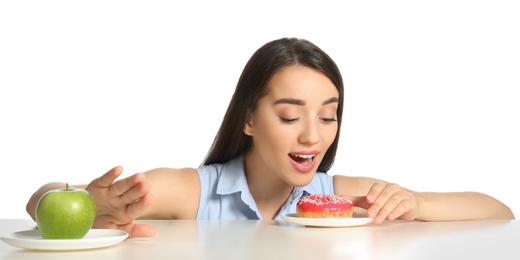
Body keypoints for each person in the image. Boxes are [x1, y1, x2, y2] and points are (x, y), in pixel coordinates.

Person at [26, 37, 515, 238]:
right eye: (289, 116)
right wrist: (88, 202)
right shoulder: (193, 192)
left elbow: (499, 211)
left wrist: (414, 202)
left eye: (328, 117)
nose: (312, 136)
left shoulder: (340, 195)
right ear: (249, 119)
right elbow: (39, 201)